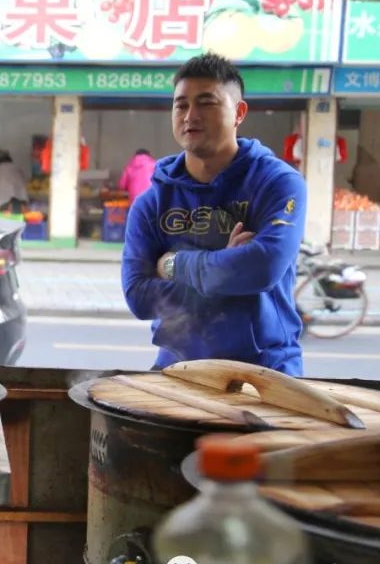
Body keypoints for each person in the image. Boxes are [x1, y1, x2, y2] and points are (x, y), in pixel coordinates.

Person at [121, 53, 307, 375]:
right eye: (181, 104)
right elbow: (139, 298)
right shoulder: (151, 202)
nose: (191, 115)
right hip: (179, 369)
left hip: (266, 372)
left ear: (239, 112)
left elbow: (263, 267)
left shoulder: (277, 183)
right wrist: (227, 263)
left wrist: (173, 264)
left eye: (206, 102)